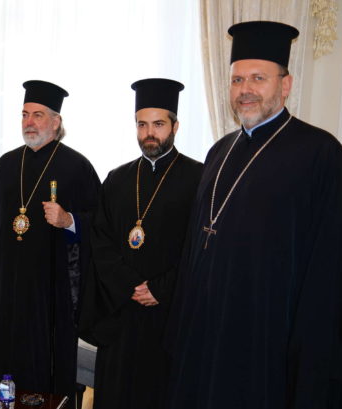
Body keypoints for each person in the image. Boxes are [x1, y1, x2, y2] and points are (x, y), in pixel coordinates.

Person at [164, 21, 342, 409]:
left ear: (285, 85)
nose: (244, 89)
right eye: (237, 80)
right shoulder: (219, 151)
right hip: (206, 334)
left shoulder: (322, 156)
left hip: (269, 342)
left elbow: (334, 270)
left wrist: (310, 355)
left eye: (258, 78)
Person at [0, 80, 101, 400]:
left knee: (45, 373)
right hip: (7, 290)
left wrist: (69, 220)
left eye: (38, 115)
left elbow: (101, 225)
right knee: (4, 366)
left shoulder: (77, 167)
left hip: (51, 295)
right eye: (25, 114)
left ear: (56, 121)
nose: (29, 122)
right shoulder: (6, 164)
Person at [79, 79, 203, 409]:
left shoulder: (199, 179)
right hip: (121, 310)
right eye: (142, 124)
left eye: (158, 124)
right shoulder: (117, 178)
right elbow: (100, 240)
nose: (149, 133)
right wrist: (129, 285)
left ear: (175, 126)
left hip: (169, 312)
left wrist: (161, 288)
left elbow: (200, 247)